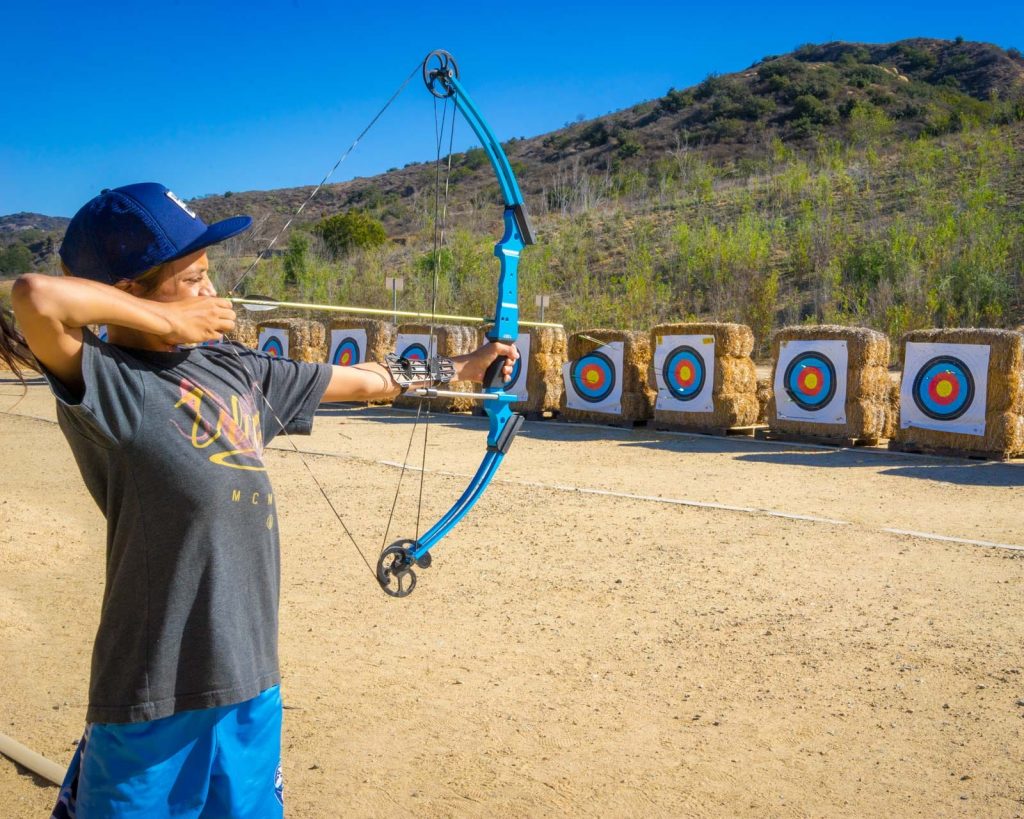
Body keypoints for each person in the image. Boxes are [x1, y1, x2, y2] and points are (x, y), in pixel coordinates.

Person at [3, 182, 517, 818]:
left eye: (209, 276)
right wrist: (168, 322)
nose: (211, 295)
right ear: (129, 291)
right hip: (152, 693)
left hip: (249, 680)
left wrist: (464, 367)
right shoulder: (107, 381)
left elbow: (365, 381)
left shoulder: (236, 370)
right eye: (193, 280)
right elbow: (35, 296)